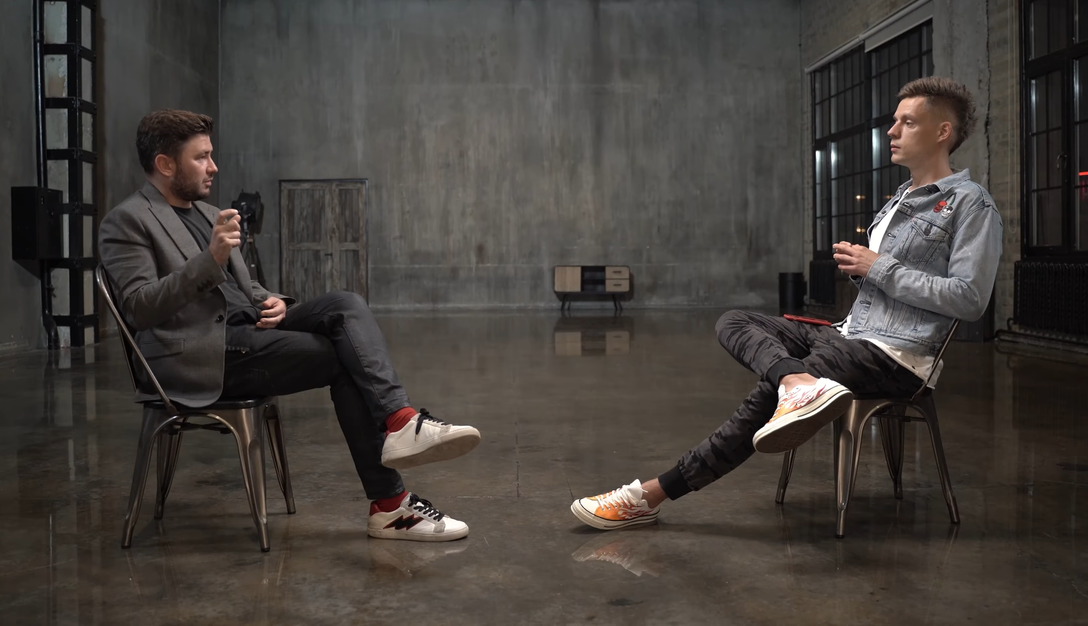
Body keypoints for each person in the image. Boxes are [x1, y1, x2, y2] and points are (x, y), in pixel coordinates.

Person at [571, 77, 1002, 530]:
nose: (892, 131)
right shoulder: (899, 199)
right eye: (895, 121)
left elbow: (970, 299)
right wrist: (863, 271)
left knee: (766, 394)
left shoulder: (971, 205)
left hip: (898, 356)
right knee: (735, 321)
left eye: (907, 122)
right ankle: (797, 382)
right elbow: (887, 284)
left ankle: (649, 495)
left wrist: (878, 268)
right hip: (850, 335)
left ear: (942, 132)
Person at [100, 110, 480, 542]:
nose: (213, 166)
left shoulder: (208, 213)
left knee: (345, 304)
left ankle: (401, 421)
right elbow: (139, 309)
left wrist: (274, 301)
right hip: (200, 355)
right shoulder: (128, 220)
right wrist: (210, 260)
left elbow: (245, 288)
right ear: (165, 164)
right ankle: (391, 505)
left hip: (247, 330)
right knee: (343, 358)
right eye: (201, 157)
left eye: (211, 155)